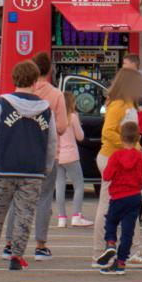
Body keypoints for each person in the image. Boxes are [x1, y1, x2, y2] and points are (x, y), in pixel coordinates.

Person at [0, 59, 58, 270]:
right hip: (32, 170)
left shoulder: (1, 105)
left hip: (2, 167)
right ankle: (17, 257)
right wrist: (47, 167)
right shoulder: (46, 110)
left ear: (15, 78)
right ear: (35, 81)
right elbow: (51, 142)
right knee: (25, 214)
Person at [93, 69, 142, 267]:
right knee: (107, 205)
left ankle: (132, 250)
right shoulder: (118, 105)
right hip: (112, 158)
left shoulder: (128, 104)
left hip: (119, 158)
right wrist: (131, 146)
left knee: (130, 206)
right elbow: (107, 131)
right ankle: (99, 252)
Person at [29, 52, 70, 259]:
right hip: (48, 152)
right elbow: (62, 127)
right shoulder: (56, 95)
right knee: (44, 198)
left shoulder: (23, 94)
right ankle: (40, 244)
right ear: (50, 70)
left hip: (24, 153)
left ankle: (10, 243)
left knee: (18, 199)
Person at [97, 121, 142, 275]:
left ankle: (111, 243)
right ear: (137, 138)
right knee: (128, 231)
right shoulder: (140, 158)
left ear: (121, 137)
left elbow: (107, 176)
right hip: (134, 197)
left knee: (111, 222)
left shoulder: (116, 156)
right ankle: (120, 263)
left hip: (118, 196)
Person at [52, 91, 88, 229]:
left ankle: (61, 218)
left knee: (59, 186)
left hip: (58, 155)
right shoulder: (72, 117)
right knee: (78, 185)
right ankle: (76, 215)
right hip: (71, 155)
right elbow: (80, 136)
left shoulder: (55, 118)